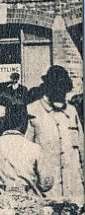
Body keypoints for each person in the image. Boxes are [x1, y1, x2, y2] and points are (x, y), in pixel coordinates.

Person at [28, 66, 84, 202]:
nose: (61, 93)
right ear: (48, 87)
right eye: (56, 87)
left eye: (64, 89)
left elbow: (82, 149)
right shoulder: (32, 111)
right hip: (47, 192)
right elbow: (26, 154)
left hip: (74, 189)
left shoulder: (71, 111)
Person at [0, 106, 48, 196]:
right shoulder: (35, 149)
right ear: (24, 124)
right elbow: (46, 184)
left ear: (5, 123)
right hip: (27, 206)